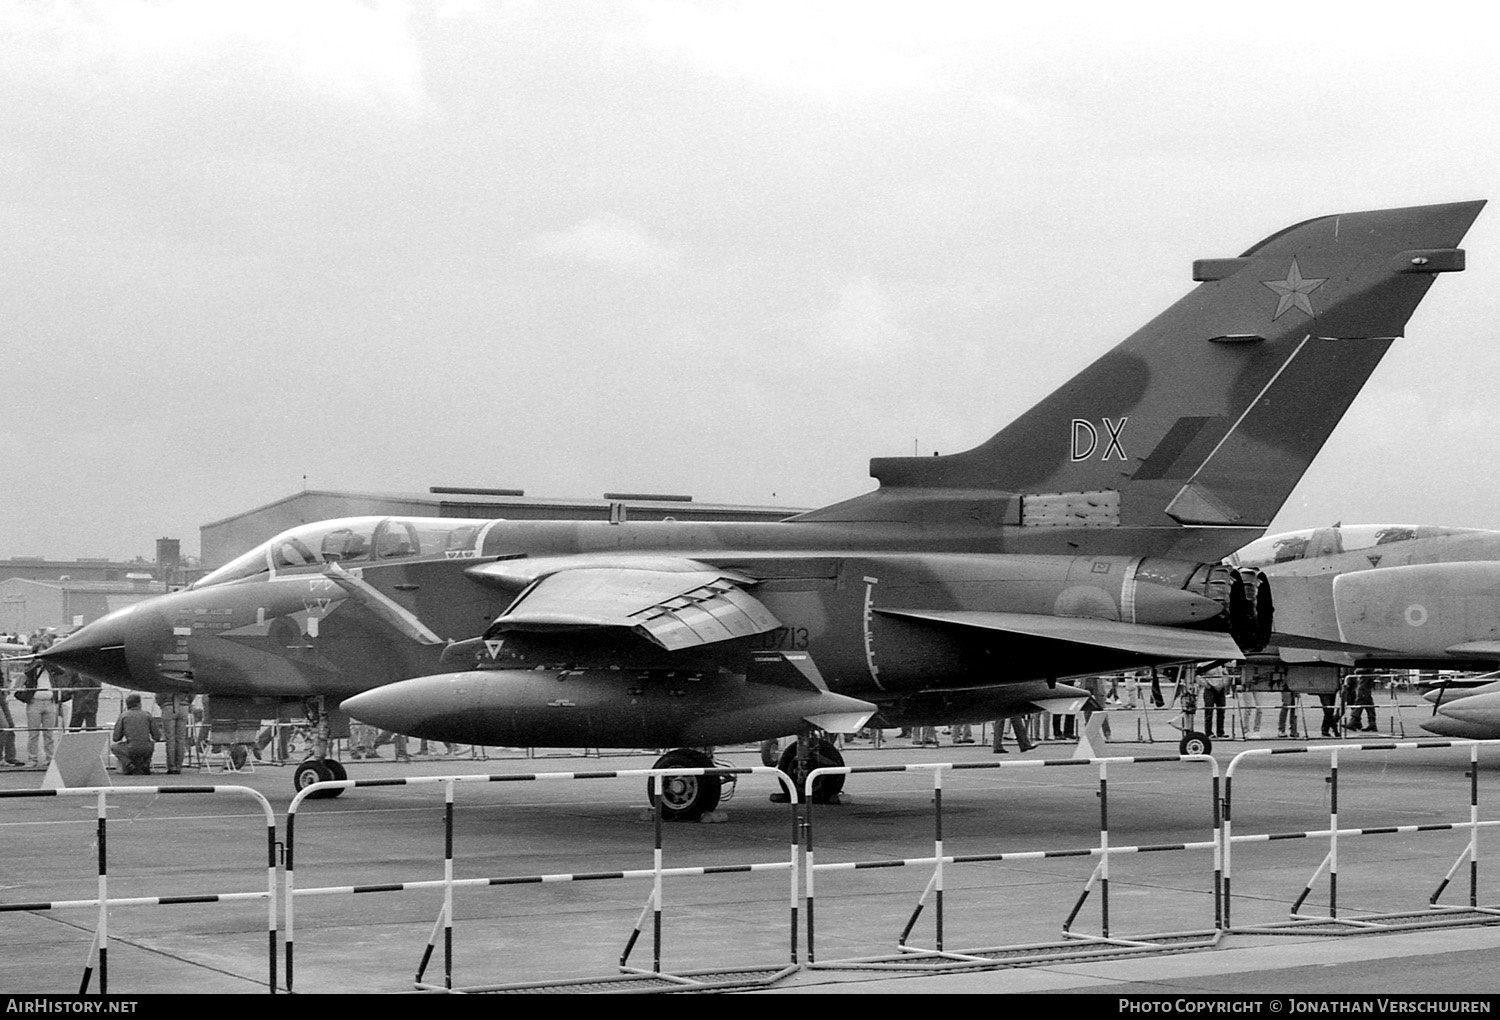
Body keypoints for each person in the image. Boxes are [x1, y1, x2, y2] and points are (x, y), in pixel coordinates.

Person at [17, 658, 69, 768]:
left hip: (50, 702)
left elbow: (61, 671)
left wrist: (49, 662)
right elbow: (27, 672)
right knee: (33, 733)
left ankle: (50, 758)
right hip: (34, 703)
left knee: (49, 733)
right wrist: (37, 664)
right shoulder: (31, 666)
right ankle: (32, 759)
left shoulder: (51, 668)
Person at [111, 693, 162, 774]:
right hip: (147, 749)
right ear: (139, 704)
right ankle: (146, 762)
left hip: (131, 748)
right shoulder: (147, 715)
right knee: (150, 744)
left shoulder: (124, 716)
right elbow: (157, 736)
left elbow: (116, 738)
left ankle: (129, 764)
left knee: (114, 747)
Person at [156, 691, 193, 774]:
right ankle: (179, 765)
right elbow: (192, 693)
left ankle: (172, 766)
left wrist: (161, 704)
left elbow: (159, 694)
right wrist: (188, 701)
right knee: (181, 739)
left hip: (169, 705)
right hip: (184, 705)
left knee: (170, 738)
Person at [1201, 666, 1230, 739]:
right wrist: (1207, 685)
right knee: (1209, 711)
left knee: (1221, 711)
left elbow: (1226, 674)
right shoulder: (1204, 663)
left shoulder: (1221, 664)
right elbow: (1198, 676)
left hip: (1221, 690)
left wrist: (1224, 684)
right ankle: (1208, 732)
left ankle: (1220, 732)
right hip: (1210, 689)